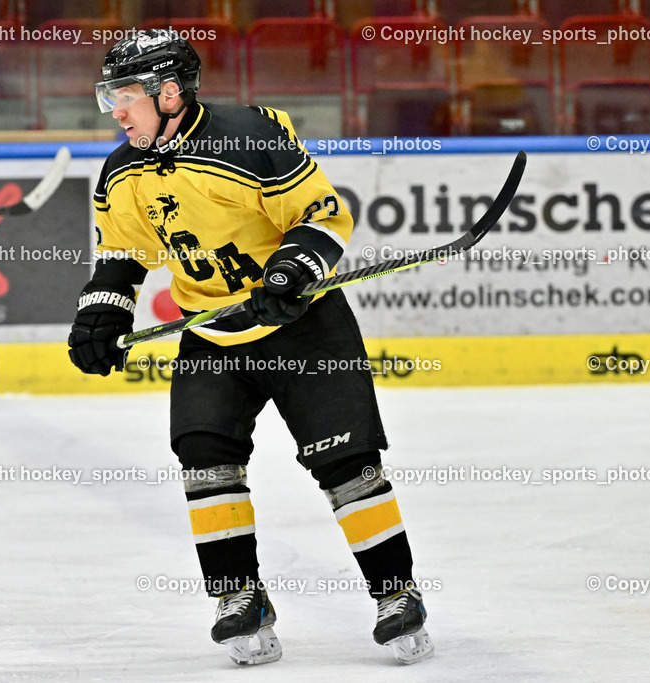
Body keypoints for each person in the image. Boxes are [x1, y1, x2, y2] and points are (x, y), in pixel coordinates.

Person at [68, 29, 433, 666]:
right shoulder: (121, 170)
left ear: (170, 92)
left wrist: (291, 271)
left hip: (305, 328)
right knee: (205, 462)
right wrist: (101, 315)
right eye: (111, 97)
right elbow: (123, 253)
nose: (115, 111)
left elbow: (323, 213)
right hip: (212, 335)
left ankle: (396, 597)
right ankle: (240, 598)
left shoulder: (250, 138)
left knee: (347, 464)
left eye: (125, 96)